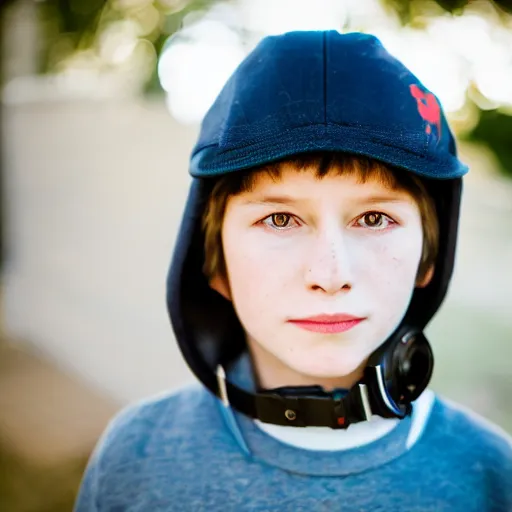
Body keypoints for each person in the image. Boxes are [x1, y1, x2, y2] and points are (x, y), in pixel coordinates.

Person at [74, 31, 512, 511]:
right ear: (213, 262)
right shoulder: (137, 457)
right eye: (279, 219)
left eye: (373, 218)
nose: (329, 274)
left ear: (429, 257)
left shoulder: (490, 475)